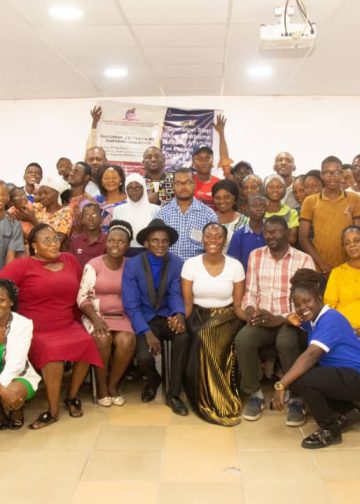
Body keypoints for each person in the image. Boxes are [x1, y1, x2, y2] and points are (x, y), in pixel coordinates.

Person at [0, 224, 102, 429]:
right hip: (35, 327)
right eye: (47, 241)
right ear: (34, 246)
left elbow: (82, 290)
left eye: (55, 238)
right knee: (52, 352)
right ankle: (53, 411)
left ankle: (71, 396)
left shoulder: (70, 260)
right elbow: (3, 288)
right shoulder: (22, 266)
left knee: (87, 342)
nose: (54, 243)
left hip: (66, 322)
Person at [234, 216, 315, 425]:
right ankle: (254, 395)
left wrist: (280, 318)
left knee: (286, 342)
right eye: (267, 232)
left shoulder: (303, 260)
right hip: (263, 317)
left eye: (277, 231)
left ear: (287, 234)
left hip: (291, 320)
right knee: (243, 339)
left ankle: (296, 398)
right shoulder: (256, 256)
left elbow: (307, 304)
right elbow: (251, 291)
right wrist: (251, 309)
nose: (271, 236)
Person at [271, 268, 360, 449]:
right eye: (297, 305)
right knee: (300, 379)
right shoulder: (314, 320)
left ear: (319, 297)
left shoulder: (330, 318)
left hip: (355, 376)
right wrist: (292, 319)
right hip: (345, 376)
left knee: (304, 379)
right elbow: (302, 322)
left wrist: (281, 384)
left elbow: (311, 355)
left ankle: (330, 430)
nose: (303, 307)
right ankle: (350, 412)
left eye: (307, 301)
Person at [122, 219, 190, 416]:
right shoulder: (133, 265)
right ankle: (153, 380)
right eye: (155, 240)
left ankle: (174, 394)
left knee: (183, 337)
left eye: (164, 241)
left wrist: (178, 315)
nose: (160, 245)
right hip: (144, 318)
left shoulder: (177, 263)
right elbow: (131, 304)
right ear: (146, 243)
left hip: (167, 315)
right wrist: (146, 332)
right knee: (144, 357)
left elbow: (176, 293)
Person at [181, 223, 245, 426]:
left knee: (204, 335)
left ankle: (219, 398)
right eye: (209, 236)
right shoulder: (190, 264)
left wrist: (251, 318)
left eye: (218, 237)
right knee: (199, 334)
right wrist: (180, 319)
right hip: (198, 314)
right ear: (202, 239)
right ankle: (206, 397)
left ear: (224, 241)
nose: (213, 240)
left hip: (227, 316)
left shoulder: (235, 266)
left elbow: (237, 305)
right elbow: (187, 304)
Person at [78, 220, 136, 406]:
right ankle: (102, 387)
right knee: (103, 338)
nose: (115, 245)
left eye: (121, 241)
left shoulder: (131, 265)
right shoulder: (93, 264)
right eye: (111, 240)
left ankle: (113, 385)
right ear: (106, 242)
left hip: (122, 316)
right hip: (95, 315)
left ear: (127, 245)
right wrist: (96, 319)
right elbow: (82, 297)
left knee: (127, 340)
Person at [299, 156, 360, 274]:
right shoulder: (310, 201)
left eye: (336, 172)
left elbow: (358, 235)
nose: (332, 176)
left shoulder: (355, 199)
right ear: (321, 175)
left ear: (342, 174)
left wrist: (352, 263)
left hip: (350, 267)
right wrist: (322, 265)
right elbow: (303, 238)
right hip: (320, 268)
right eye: (327, 172)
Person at [0, 280, 40, 430]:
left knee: (14, 392)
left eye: (1, 300)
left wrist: (5, 392)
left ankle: (15, 408)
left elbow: (15, 365)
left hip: (18, 374)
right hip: (2, 384)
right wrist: (2, 391)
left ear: (11, 302)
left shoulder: (23, 324)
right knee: (7, 393)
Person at [155, 168, 217, 260]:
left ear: (194, 185)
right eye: (179, 183)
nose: (183, 187)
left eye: (188, 182)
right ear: (173, 186)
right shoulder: (161, 215)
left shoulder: (209, 215)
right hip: (167, 269)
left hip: (196, 270)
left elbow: (213, 247)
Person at [324, 225, 360, 333]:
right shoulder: (337, 273)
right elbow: (329, 308)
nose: (352, 245)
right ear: (343, 247)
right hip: (345, 331)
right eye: (347, 243)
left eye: (357, 240)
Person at [113, 173, 158, 256]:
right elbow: (116, 233)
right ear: (126, 190)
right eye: (130, 188)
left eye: (138, 188)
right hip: (125, 253)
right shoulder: (118, 210)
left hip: (149, 252)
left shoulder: (155, 209)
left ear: (144, 188)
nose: (134, 191)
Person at [227, 194, 267, 272]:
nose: (259, 209)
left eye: (262, 205)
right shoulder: (239, 235)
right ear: (246, 209)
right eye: (254, 206)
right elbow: (232, 262)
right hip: (246, 279)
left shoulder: (271, 233)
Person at [30, 175, 73, 245]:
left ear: (57, 193)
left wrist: (33, 220)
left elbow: (57, 241)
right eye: (40, 194)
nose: (42, 196)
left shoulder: (66, 212)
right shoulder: (37, 207)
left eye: (46, 193)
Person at [68, 203, 106, 270]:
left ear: (101, 219)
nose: (90, 219)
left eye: (94, 215)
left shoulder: (107, 240)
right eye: (87, 215)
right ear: (82, 220)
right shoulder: (76, 242)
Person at [264, 174, 299, 246]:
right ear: (265, 190)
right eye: (271, 187)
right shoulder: (259, 212)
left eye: (279, 187)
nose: (275, 190)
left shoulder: (291, 212)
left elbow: (292, 239)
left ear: (284, 190)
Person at [211, 179, 247, 249]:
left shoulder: (245, 222)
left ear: (235, 198)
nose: (222, 201)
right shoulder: (208, 218)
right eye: (218, 198)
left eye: (227, 197)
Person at [66, 162, 95, 235]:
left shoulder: (89, 203)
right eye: (72, 170)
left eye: (76, 172)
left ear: (86, 177)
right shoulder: (60, 196)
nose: (71, 174)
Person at [95, 165, 126, 231]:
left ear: (121, 181)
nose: (111, 181)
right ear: (101, 182)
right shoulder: (96, 201)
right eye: (106, 178)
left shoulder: (128, 201)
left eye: (114, 178)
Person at [0, 182, 24, 269]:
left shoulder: (14, 224)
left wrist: (4, 280)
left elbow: (11, 255)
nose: (0, 198)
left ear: (8, 197)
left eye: (3, 194)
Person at [192, 145, 220, 209]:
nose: (204, 162)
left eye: (207, 158)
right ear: (193, 162)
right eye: (199, 158)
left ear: (212, 161)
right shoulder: (187, 183)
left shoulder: (220, 184)